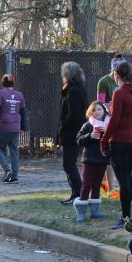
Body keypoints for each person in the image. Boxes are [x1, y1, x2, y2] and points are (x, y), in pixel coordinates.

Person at [101, 61, 132, 231]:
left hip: (120, 140)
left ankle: (125, 217)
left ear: (116, 75)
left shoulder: (119, 93)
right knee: (128, 176)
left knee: (123, 180)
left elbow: (114, 120)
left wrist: (104, 140)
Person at [74, 101, 111, 221]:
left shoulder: (108, 125)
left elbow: (112, 141)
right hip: (89, 159)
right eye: (94, 110)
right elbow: (78, 140)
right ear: (90, 112)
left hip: (102, 159)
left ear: (104, 111)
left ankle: (95, 211)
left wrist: (107, 136)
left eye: (99, 109)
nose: (97, 112)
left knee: (97, 184)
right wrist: (89, 136)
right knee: (86, 184)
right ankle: (81, 212)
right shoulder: (87, 125)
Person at [0, 74, 27, 183]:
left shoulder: (1, 93)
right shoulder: (20, 95)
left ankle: (8, 170)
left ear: (3, 83)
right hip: (16, 127)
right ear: (13, 83)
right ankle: (14, 176)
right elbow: (23, 112)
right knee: (14, 151)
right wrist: (23, 126)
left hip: (4, 127)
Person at [58, 61, 88, 204]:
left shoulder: (74, 90)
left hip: (71, 133)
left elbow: (74, 115)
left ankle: (78, 194)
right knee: (69, 164)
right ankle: (77, 193)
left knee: (69, 164)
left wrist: (64, 125)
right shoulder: (74, 88)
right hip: (71, 132)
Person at [97, 54, 125, 194]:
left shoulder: (124, 80)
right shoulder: (104, 81)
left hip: (121, 120)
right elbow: (100, 103)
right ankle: (109, 189)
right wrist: (111, 106)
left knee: (113, 157)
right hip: (108, 120)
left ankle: (107, 187)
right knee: (107, 157)